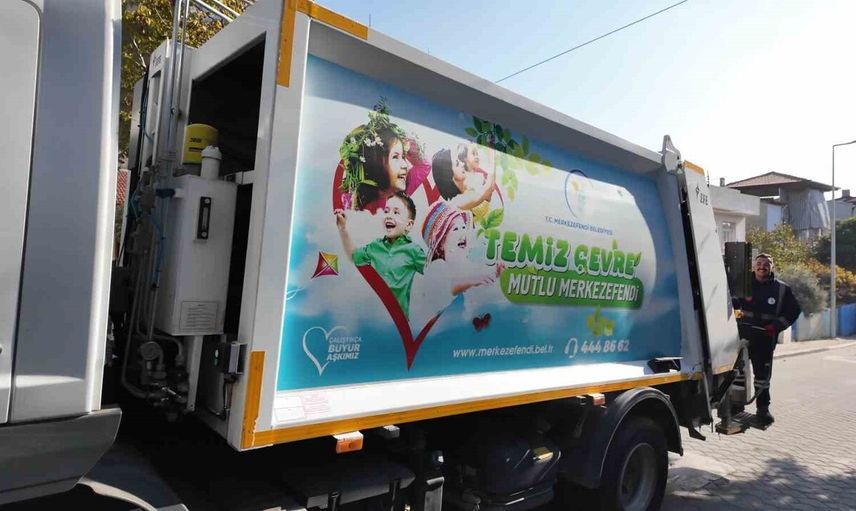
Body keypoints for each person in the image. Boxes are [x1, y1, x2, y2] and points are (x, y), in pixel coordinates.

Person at [733, 253, 801, 426]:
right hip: (742, 336)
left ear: (772, 267)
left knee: (762, 377)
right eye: (759, 263)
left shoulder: (782, 289)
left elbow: (794, 310)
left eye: (766, 264)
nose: (762, 266)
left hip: (764, 337)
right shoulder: (743, 285)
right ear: (753, 266)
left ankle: (763, 409)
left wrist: (776, 326)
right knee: (736, 373)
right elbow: (730, 303)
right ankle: (735, 405)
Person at [335, 192, 426, 319]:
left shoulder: (414, 251)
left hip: (397, 322)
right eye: (386, 211)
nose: (389, 215)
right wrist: (343, 229)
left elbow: (434, 271)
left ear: (408, 225)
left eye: (396, 212)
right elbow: (353, 256)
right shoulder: (375, 247)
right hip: (374, 318)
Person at [431, 147, 497, 215]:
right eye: (457, 164)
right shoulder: (457, 201)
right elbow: (488, 189)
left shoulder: (466, 191)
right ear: (448, 173)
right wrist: (492, 152)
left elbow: (489, 192)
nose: (462, 164)